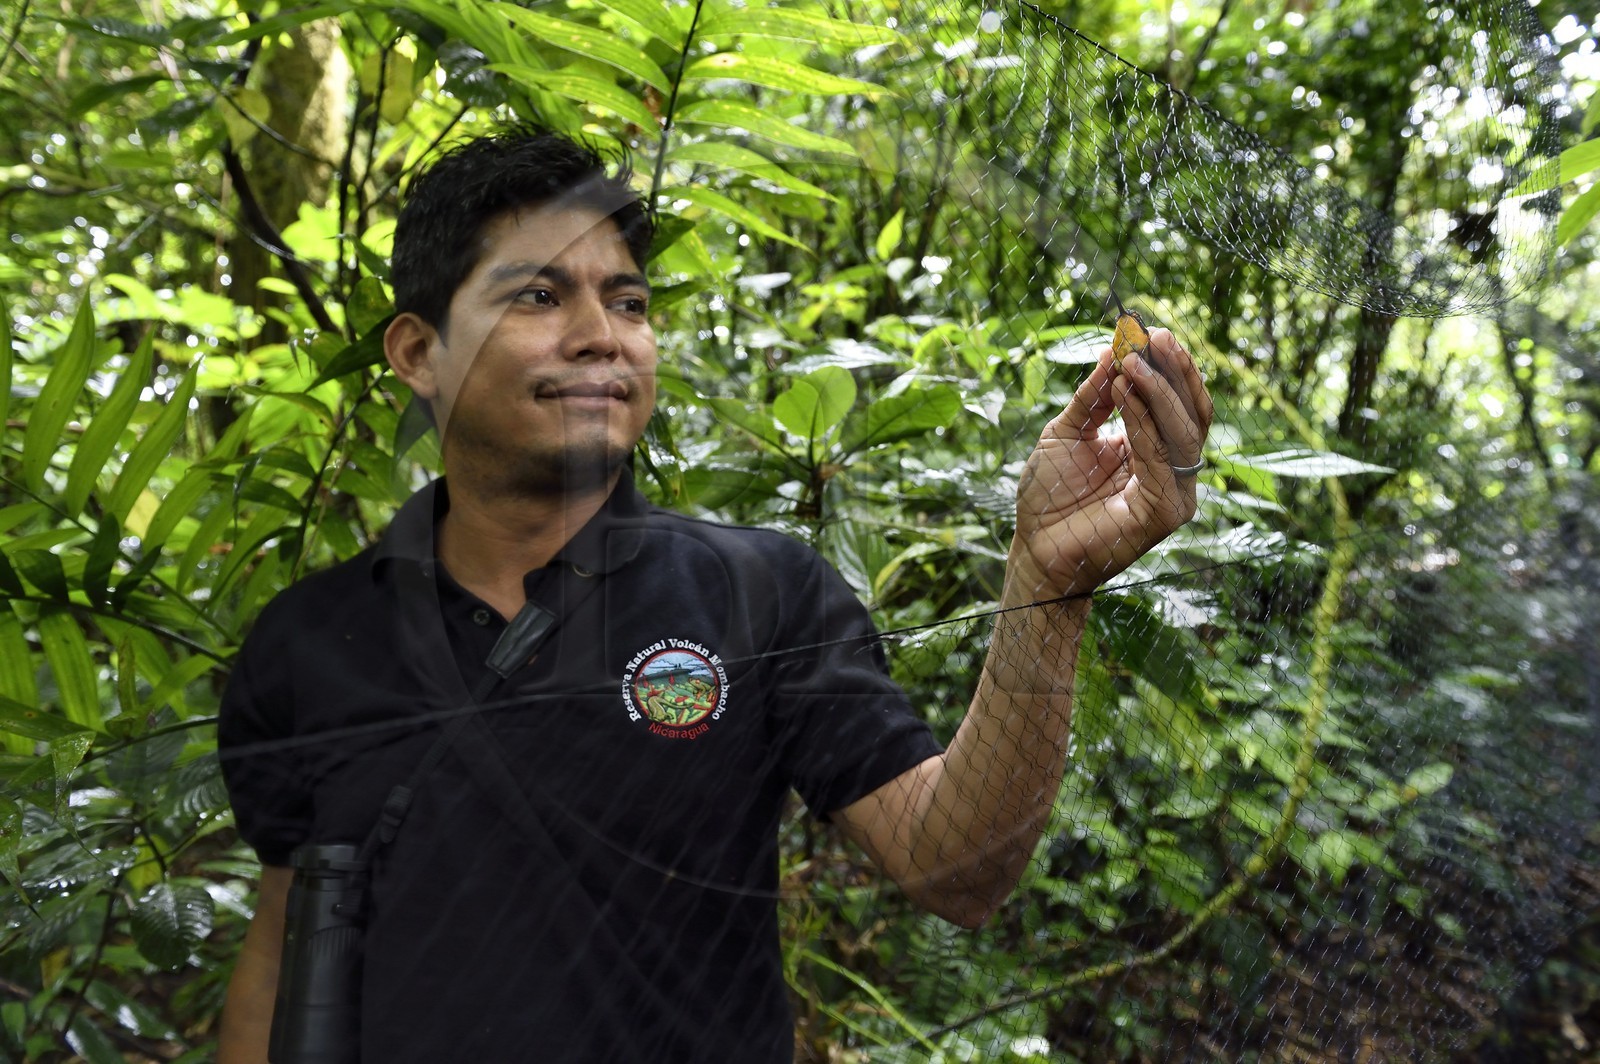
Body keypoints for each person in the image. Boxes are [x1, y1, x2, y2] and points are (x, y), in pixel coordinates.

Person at [215, 125, 1212, 1063]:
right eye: (537, 296)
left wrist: (1049, 582)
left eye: (630, 301)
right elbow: (281, 943)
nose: (602, 335)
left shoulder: (761, 594)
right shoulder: (309, 641)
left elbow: (958, 867)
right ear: (418, 351)